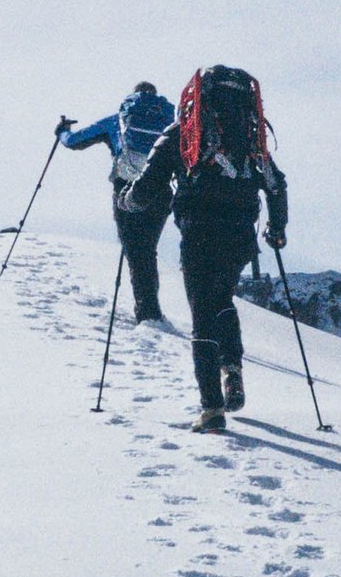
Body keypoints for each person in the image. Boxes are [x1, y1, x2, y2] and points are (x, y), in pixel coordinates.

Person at [123, 65, 288, 432]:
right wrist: (276, 230)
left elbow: (148, 182)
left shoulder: (186, 131)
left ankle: (211, 409)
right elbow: (277, 185)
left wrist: (129, 202)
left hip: (198, 232)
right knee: (223, 300)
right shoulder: (249, 136)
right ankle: (233, 367)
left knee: (202, 312)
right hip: (240, 234)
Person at [57, 82, 176, 322]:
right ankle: (150, 309)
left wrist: (62, 131)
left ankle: (148, 313)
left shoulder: (118, 120)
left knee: (136, 251)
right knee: (147, 249)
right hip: (160, 192)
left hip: (126, 190)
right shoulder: (169, 124)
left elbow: (75, 141)